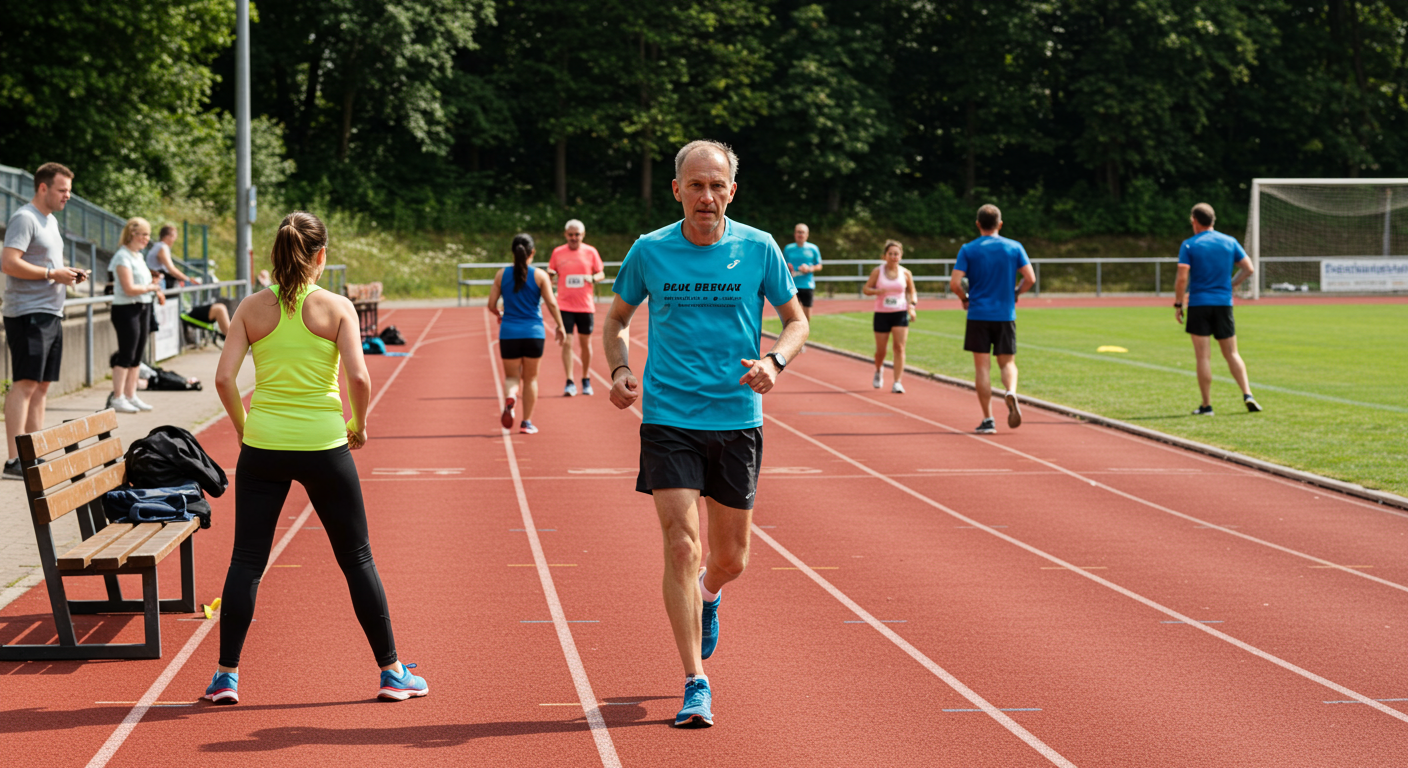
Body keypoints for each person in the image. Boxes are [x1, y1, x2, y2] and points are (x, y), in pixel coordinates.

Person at [604, 140, 808, 728]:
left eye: (717, 185)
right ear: (677, 190)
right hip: (669, 418)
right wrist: (619, 369)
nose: (706, 196)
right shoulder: (650, 250)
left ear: (732, 191)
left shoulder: (759, 247)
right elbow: (615, 319)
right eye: (695, 185)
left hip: (736, 419)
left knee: (731, 559)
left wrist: (774, 362)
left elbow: (796, 320)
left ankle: (709, 593)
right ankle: (696, 681)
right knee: (680, 544)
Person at [205, 211, 427, 705]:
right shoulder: (337, 307)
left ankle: (225, 676)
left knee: (247, 561)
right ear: (321, 256)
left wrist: (244, 428)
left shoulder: (250, 308)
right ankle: (392, 672)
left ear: (275, 254)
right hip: (324, 446)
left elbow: (223, 379)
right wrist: (359, 424)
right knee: (357, 558)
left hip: (263, 446)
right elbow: (360, 378)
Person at [1, 163, 89, 480]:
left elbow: (45, 265)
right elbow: (8, 263)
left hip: (50, 312)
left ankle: (33, 454)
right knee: (25, 384)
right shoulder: (25, 218)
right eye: (62, 190)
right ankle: (15, 460)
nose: (68, 196)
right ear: (43, 188)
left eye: (69, 190)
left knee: (41, 386)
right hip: (28, 314)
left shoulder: (50, 220)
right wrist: (53, 273)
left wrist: (68, 274)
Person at [950, 204, 1036, 434]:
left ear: (978, 224)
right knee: (1007, 363)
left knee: (982, 367)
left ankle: (988, 419)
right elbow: (1030, 278)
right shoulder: (1014, 247)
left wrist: (965, 298)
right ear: (1000, 224)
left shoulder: (968, 249)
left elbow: (955, 283)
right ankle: (1011, 391)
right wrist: (1016, 292)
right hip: (1005, 314)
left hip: (978, 314)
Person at [1174, 203, 1262, 415]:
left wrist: (1178, 303)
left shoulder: (1189, 245)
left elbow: (1182, 277)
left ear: (1194, 221)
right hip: (1223, 303)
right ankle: (1247, 394)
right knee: (1232, 353)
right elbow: (1248, 268)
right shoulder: (1229, 241)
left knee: (1203, 357)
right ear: (1213, 220)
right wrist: (1232, 285)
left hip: (1199, 303)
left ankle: (1207, 405)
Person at [489, 233, 566, 434]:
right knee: (530, 379)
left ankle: (511, 396)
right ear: (532, 252)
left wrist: (500, 314)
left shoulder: (501, 275)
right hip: (534, 333)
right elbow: (552, 303)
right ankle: (526, 422)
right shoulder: (539, 275)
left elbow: (491, 304)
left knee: (511, 377)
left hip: (509, 333)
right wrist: (560, 326)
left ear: (513, 252)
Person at [108, 217, 165, 413]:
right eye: (143, 235)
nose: (146, 239)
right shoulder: (122, 256)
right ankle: (118, 397)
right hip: (126, 308)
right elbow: (129, 288)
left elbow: (144, 285)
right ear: (132, 234)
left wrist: (155, 290)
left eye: (148, 235)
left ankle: (131, 395)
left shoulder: (138, 256)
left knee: (137, 356)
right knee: (126, 354)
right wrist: (151, 287)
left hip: (143, 306)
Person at [546, 219, 604, 396]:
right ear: (565, 235)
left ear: (583, 235)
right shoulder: (558, 252)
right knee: (567, 343)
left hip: (585, 306)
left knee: (586, 344)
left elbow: (601, 273)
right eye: (570, 234)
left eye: (577, 234)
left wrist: (592, 278)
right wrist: (550, 276)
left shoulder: (591, 251)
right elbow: (550, 272)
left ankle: (586, 379)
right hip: (564, 306)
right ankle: (570, 381)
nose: (573, 238)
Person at [861, 239, 917, 393]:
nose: (893, 257)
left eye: (896, 254)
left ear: (901, 256)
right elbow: (866, 289)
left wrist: (912, 306)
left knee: (899, 347)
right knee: (881, 351)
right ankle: (879, 369)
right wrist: (876, 291)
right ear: (884, 256)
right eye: (890, 254)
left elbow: (912, 291)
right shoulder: (878, 272)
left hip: (900, 312)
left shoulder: (906, 273)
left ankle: (897, 382)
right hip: (882, 313)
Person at [782, 223, 822, 331]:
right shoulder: (788, 248)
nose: (800, 234)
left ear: (807, 234)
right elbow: (783, 265)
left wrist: (809, 268)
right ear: (794, 234)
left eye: (802, 232)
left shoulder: (813, 248)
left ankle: (803, 335)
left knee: (806, 315)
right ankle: (790, 334)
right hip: (792, 285)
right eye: (798, 232)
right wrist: (788, 271)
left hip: (807, 285)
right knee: (791, 314)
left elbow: (819, 266)